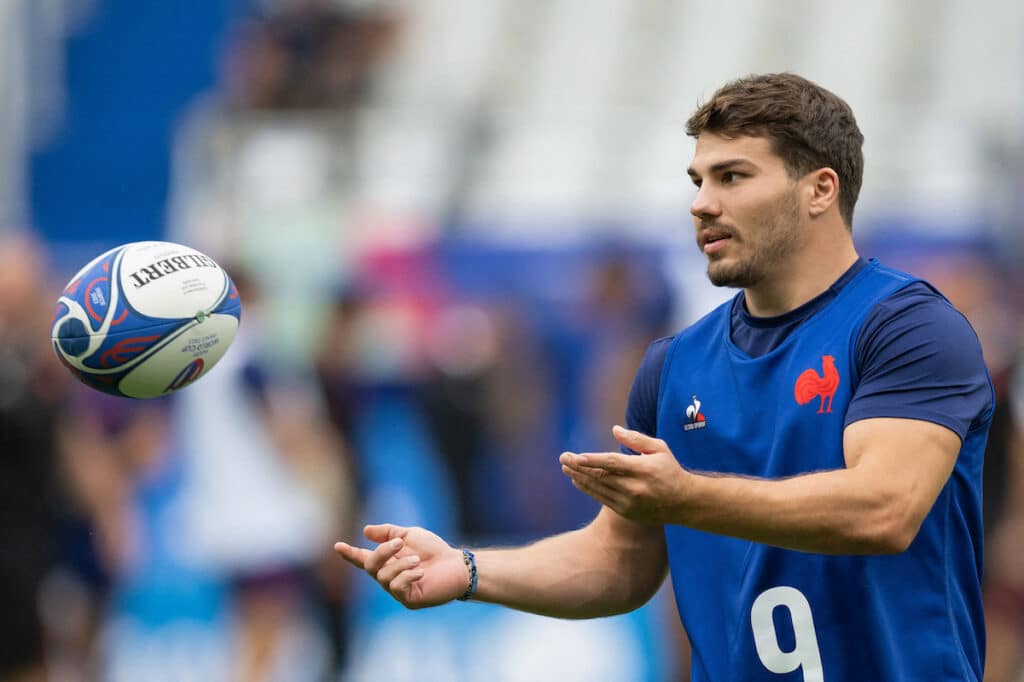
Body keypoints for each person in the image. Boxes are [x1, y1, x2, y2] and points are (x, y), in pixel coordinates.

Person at [334, 73, 994, 681]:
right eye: (698, 180)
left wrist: (685, 497)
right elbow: (618, 562)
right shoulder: (676, 365)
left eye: (733, 177)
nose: (702, 205)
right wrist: (470, 568)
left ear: (820, 189)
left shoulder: (906, 328)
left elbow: (885, 509)